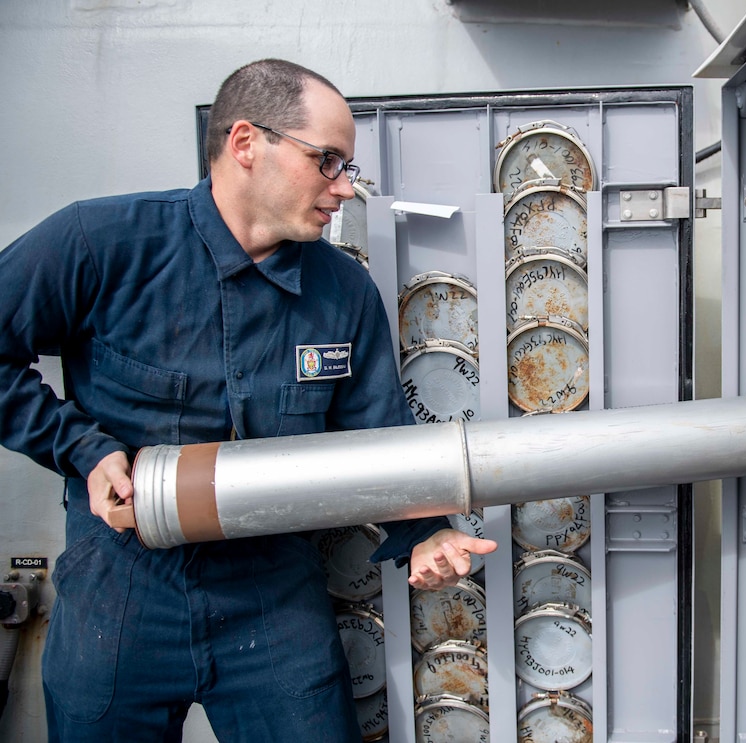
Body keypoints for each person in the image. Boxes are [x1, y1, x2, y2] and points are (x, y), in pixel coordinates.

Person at [0, 58, 497, 741]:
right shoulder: (102, 245)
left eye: (347, 167)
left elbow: (381, 436)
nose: (346, 188)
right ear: (244, 144)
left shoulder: (343, 294)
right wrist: (85, 451)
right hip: (119, 592)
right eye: (328, 162)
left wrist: (427, 530)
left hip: (272, 597)